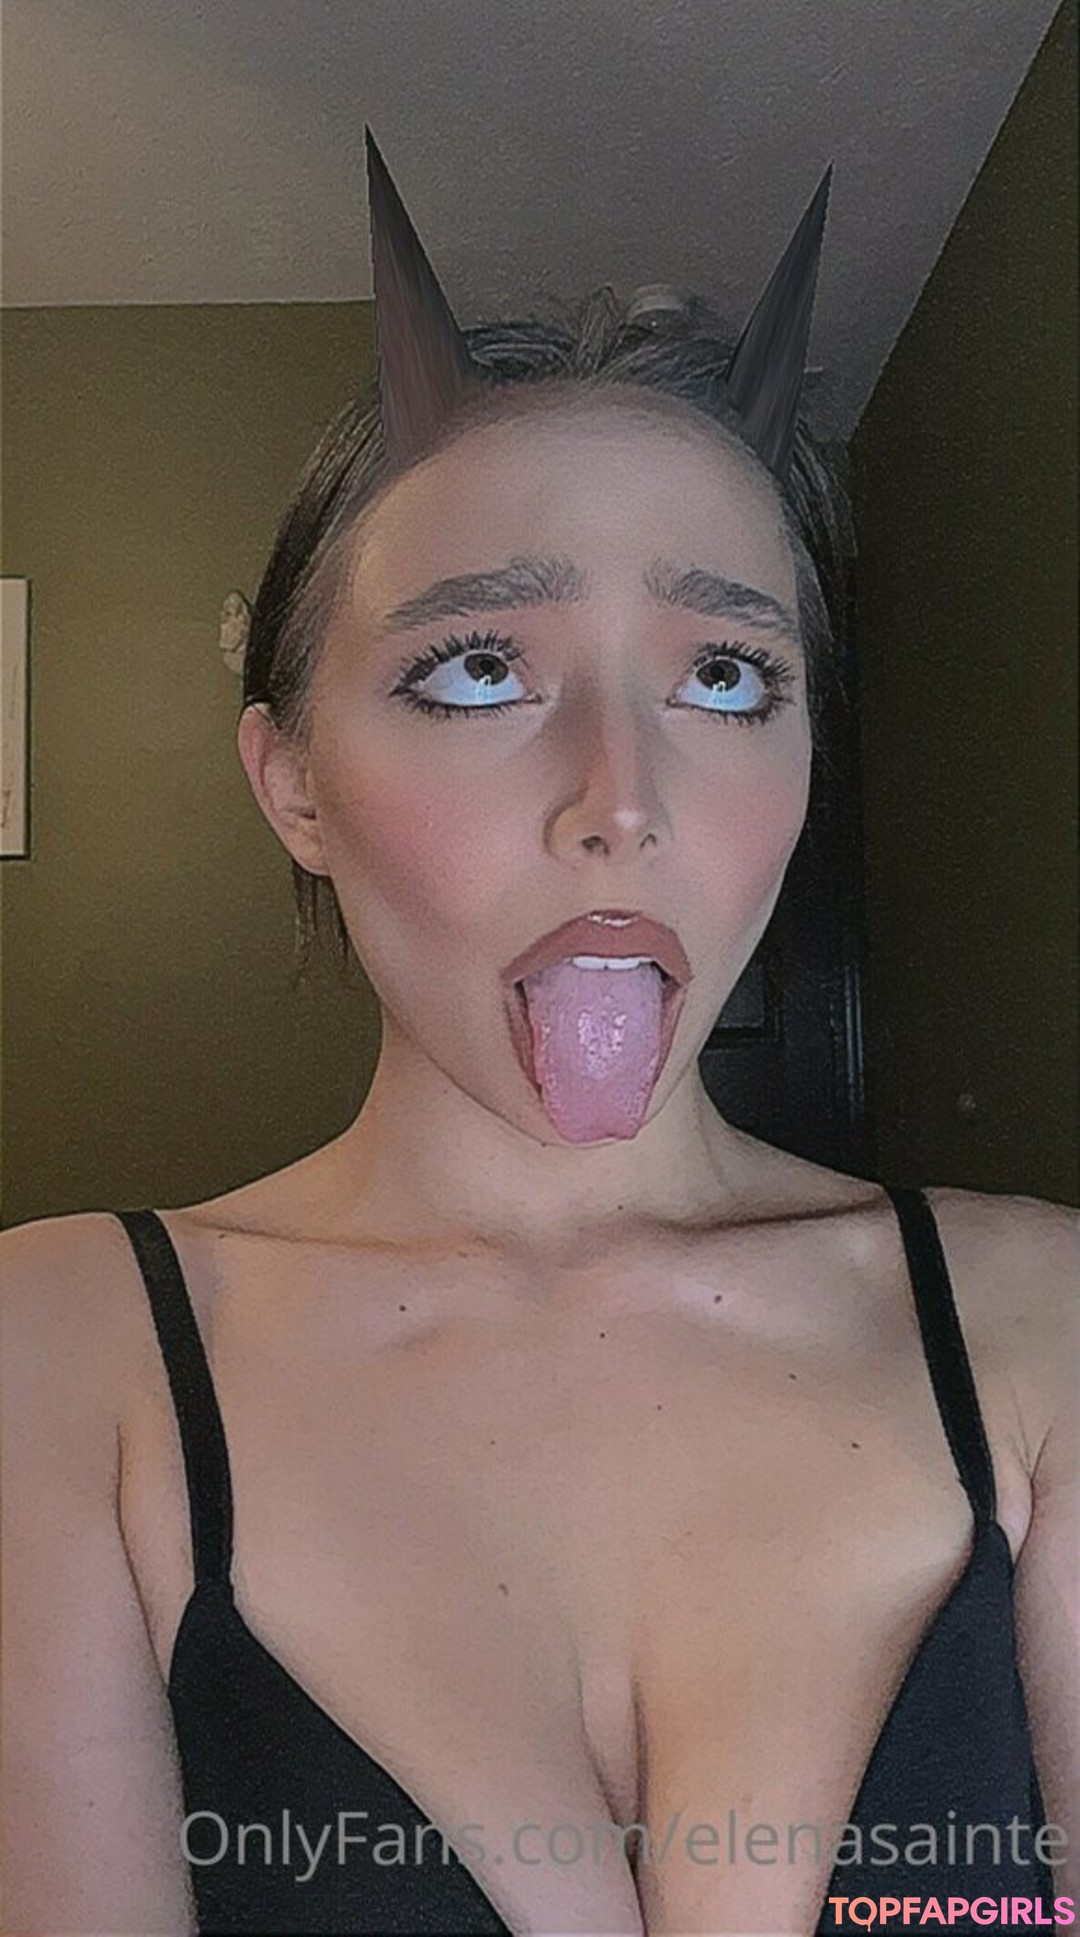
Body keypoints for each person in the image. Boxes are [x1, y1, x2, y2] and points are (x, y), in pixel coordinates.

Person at [2, 131, 1076, 1937]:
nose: (621, 799)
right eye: (480, 667)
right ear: (293, 782)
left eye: (725, 673)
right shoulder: (61, 1354)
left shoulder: (1048, 1329)